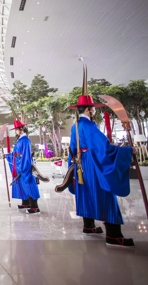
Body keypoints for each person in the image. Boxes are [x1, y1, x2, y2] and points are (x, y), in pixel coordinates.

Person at [67, 70, 135, 248]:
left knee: (86, 193)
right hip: (93, 165)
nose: (94, 111)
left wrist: (73, 168)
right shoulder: (89, 126)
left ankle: (88, 226)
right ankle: (113, 235)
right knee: (106, 193)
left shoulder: (75, 126)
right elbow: (102, 148)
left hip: (81, 166)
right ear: (89, 110)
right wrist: (126, 151)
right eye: (93, 109)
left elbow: (72, 150)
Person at [5, 119, 41, 214]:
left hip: (24, 165)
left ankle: (34, 206)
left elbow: (26, 155)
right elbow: (16, 153)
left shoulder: (25, 140)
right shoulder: (20, 139)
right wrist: (8, 156)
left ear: (21, 129)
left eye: (16, 129)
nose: (15, 131)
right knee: (21, 184)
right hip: (18, 164)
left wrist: (23, 167)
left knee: (29, 184)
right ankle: (26, 202)